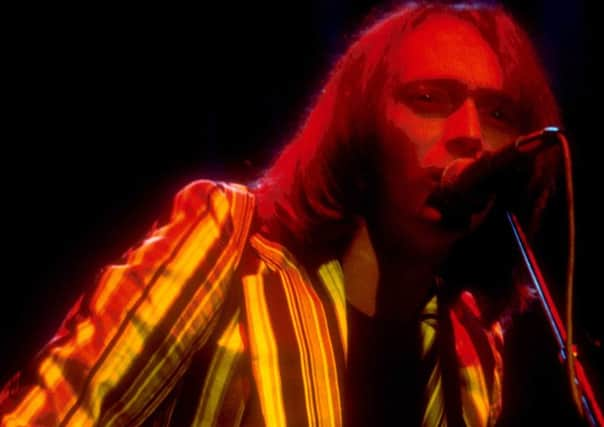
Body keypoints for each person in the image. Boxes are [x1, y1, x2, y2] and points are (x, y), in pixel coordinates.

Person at [0, 2, 562, 426]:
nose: (470, 137)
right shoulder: (230, 239)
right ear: (360, 129)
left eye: (496, 113)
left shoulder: (472, 341)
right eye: (430, 100)